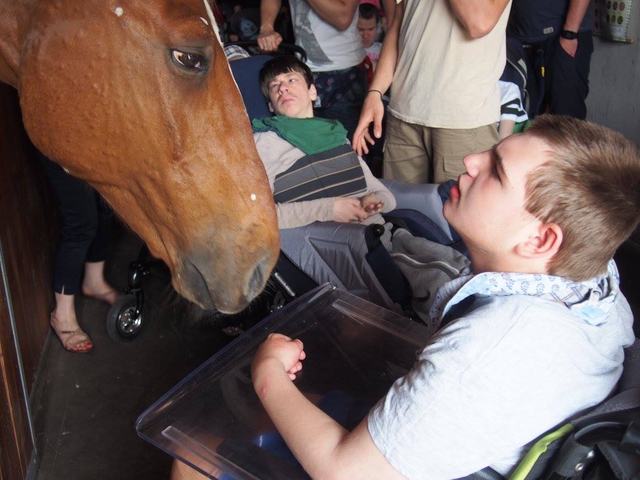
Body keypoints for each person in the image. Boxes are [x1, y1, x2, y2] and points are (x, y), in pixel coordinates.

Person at [353, 0, 512, 184]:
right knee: (399, 202)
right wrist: (375, 92)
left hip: (462, 120)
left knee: (459, 203)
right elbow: (397, 27)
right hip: (403, 113)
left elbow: (479, 22)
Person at [251, 55, 396, 229]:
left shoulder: (335, 133)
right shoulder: (263, 142)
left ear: (312, 92)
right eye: (274, 85)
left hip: (380, 232)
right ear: (271, 106)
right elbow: (258, 215)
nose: (283, 88)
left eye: (291, 80)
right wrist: (328, 210)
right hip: (324, 241)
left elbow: (387, 197)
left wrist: (372, 200)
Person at [38, 152, 119, 353]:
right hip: (60, 142)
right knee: (80, 222)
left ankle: (94, 281)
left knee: (105, 206)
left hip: (94, 142)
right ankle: (62, 315)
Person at [257, 0, 367, 141]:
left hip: (343, 72)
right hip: (304, 67)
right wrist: (266, 27)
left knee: (345, 143)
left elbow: (343, 18)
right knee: (302, 140)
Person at [507, 0, 593, 120]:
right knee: (521, 117)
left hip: (562, 37)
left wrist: (570, 34)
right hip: (519, 37)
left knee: (565, 119)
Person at [358, 3, 382, 72]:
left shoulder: (384, 49)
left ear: (377, 27)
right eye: (360, 29)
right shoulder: (348, 51)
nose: (365, 35)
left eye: (371, 29)